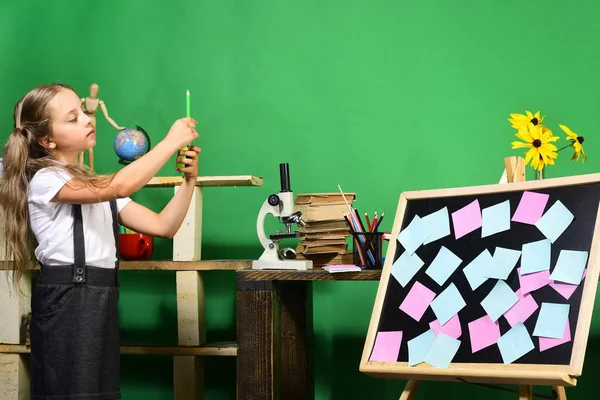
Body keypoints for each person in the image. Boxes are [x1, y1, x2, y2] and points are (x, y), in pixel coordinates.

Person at [0, 83, 201, 400]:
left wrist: (189, 181)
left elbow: (164, 226)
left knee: (99, 394)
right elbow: (119, 186)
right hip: (66, 299)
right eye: (72, 118)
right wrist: (169, 143)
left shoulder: (95, 186)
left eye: (82, 111)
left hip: (101, 297)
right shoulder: (45, 180)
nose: (86, 119)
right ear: (47, 140)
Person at [78, 83, 125, 171]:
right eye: (92, 89)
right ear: (89, 89)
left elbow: (107, 116)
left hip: (92, 121)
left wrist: (117, 127)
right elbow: (75, 108)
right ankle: (80, 170)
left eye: (95, 90)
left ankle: (91, 171)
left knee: (90, 147)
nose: (93, 92)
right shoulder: (83, 100)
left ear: (97, 91)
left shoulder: (99, 102)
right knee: (82, 146)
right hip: (84, 120)